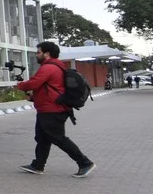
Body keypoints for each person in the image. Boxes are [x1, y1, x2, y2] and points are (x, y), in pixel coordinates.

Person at [16, 42, 96, 178]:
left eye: (38, 52)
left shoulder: (48, 67)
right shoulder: (56, 66)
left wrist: (20, 85)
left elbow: (34, 83)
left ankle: (85, 163)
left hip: (52, 110)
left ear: (47, 54)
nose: (37, 55)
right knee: (42, 138)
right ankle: (38, 165)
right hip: (48, 108)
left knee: (58, 138)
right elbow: (48, 89)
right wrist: (34, 98)